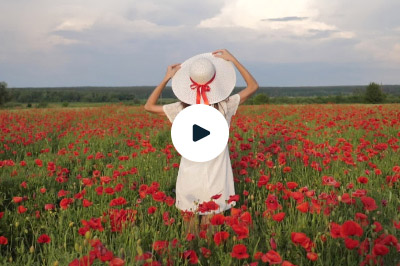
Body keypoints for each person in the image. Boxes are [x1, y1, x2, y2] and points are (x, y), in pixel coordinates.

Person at [144, 49, 258, 238]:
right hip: (217, 175)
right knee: (211, 229)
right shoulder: (224, 106)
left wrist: (166, 78)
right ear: (214, 81)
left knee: (190, 230)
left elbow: (148, 106)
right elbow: (253, 86)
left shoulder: (181, 109)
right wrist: (234, 61)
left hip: (189, 175)